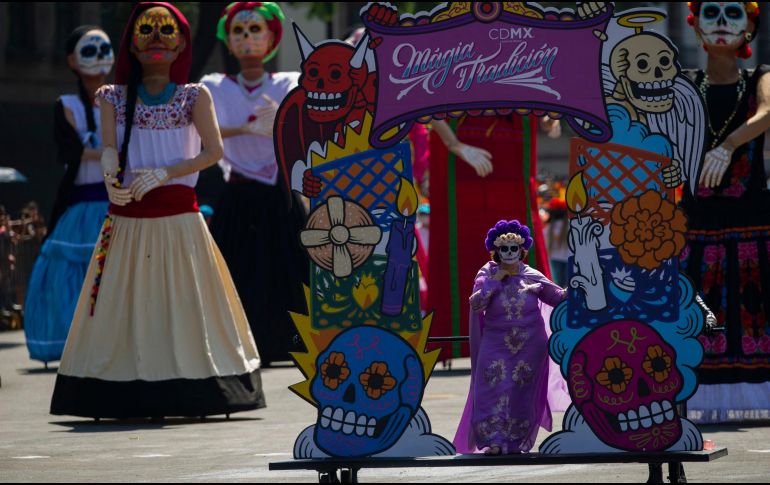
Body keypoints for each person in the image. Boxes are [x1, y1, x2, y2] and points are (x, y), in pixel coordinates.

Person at [50, 2, 264, 419]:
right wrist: (113, 177)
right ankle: (119, 389)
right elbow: (109, 149)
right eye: (146, 30)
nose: (156, 40)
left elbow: (214, 152)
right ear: (131, 39)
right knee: (125, 302)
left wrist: (165, 173)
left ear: (182, 41)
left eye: (166, 31)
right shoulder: (113, 97)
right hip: (129, 216)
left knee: (185, 302)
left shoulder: (193, 96)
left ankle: (197, 388)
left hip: (180, 219)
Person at [201, 2, 308, 366]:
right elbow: (204, 131)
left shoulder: (289, 83)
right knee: (236, 268)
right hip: (239, 189)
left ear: (272, 38)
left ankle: (289, 341)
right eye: (239, 32)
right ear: (228, 41)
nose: (247, 39)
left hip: (278, 191)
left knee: (287, 266)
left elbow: (304, 126)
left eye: (255, 30)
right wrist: (246, 128)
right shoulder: (213, 87)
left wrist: (280, 120)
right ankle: (237, 343)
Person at [682, 1, 770, 423]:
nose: (720, 22)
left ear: (751, 26)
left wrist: (728, 144)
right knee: (691, 303)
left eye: (732, 13)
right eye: (710, 12)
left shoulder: (760, 79)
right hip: (694, 218)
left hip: (750, 218)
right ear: (695, 24)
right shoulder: (685, 84)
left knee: (754, 305)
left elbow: (768, 112)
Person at [427, 115, 561, 361]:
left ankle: (537, 335)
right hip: (462, 143)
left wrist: (547, 116)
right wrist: (453, 143)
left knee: (521, 252)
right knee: (460, 251)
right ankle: (457, 341)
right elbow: (426, 104)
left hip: (509, 151)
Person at [24, 26, 113, 365]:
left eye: (105, 49)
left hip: (116, 199)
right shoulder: (67, 104)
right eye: (89, 51)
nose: (99, 59)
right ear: (72, 60)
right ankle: (73, 341)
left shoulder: (123, 99)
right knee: (70, 272)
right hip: (80, 202)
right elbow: (71, 151)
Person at [454, 220, 566, 455]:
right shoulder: (487, 272)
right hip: (495, 343)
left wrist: (578, 287)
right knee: (491, 389)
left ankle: (515, 441)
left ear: (522, 250)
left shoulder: (533, 275)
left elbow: (556, 298)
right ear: (496, 251)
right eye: (504, 249)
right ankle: (494, 440)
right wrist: (496, 280)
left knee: (520, 393)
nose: (509, 253)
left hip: (530, 346)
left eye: (514, 249)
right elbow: (476, 302)